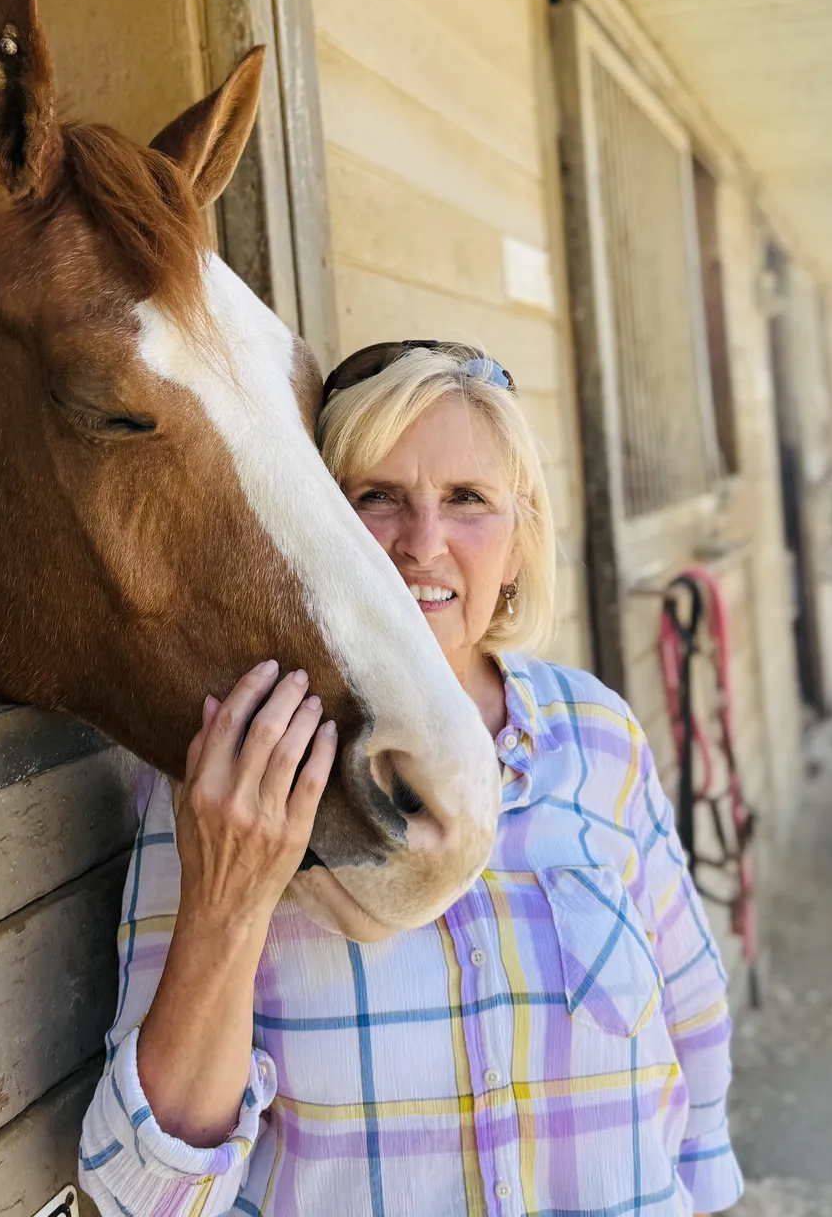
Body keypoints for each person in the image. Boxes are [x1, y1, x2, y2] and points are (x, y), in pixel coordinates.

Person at [78, 341, 743, 1216]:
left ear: (517, 545)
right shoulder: (234, 777)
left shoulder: (600, 739)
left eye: (467, 500)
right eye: (376, 498)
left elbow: (693, 1028)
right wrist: (229, 901)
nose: (421, 543)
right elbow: (141, 1200)